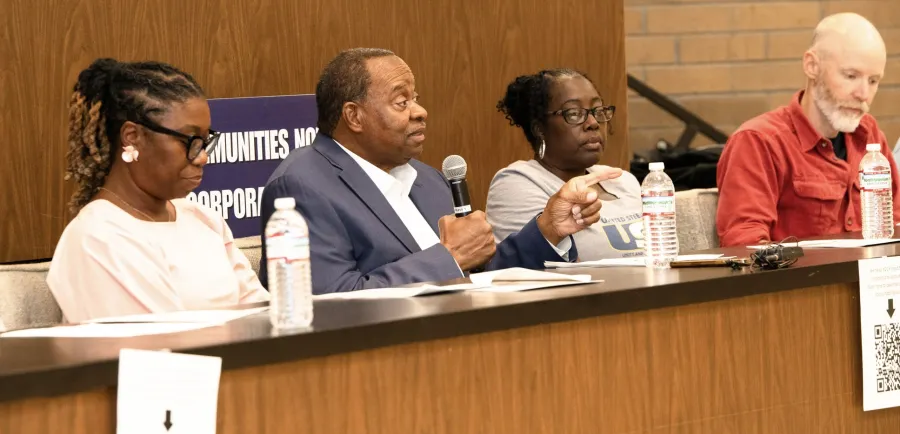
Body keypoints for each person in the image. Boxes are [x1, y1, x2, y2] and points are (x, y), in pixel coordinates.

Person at [260, 48, 621, 294]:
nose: (420, 112)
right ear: (354, 116)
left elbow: (481, 277)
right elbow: (330, 303)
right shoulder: (302, 186)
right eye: (402, 101)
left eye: (416, 99)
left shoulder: (428, 180)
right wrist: (447, 258)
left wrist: (548, 228)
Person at [47, 58, 269, 323]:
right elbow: (162, 350)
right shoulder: (97, 238)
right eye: (190, 141)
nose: (202, 157)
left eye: (206, 141)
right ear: (132, 137)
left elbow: (263, 316)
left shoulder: (202, 218)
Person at [716, 13, 900, 246]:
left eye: (873, 81)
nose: (863, 94)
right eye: (851, 76)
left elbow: (895, 224)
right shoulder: (758, 141)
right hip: (802, 282)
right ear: (812, 66)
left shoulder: (870, 136)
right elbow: (744, 246)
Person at [488, 69, 643, 261]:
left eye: (598, 110)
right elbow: (531, 270)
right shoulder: (517, 183)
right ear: (539, 129)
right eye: (574, 113)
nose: (593, 123)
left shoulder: (623, 180)